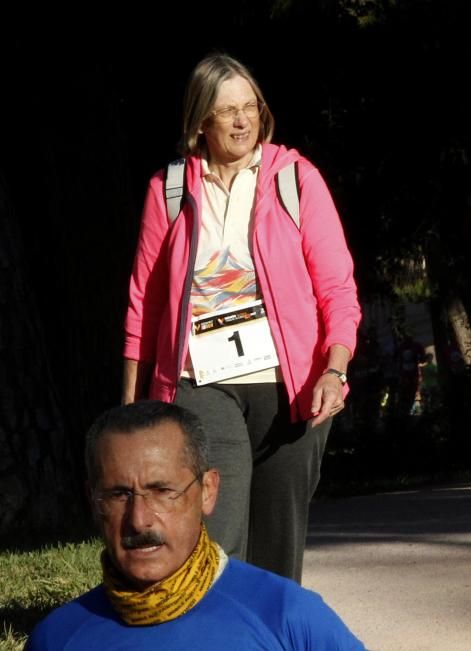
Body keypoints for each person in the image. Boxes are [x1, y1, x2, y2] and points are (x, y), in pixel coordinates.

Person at [121, 53, 361, 582]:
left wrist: (335, 369)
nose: (241, 120)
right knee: (220, 544)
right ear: (201, 120)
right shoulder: (171, 189)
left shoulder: (295, 180)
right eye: (227, 110)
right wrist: (131, 410)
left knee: (278, 558)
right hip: (201, 383)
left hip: (291, 389)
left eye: (250, 107)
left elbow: (338, 290)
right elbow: (145, 303)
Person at [27, 401, 364, 650]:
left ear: (208, 491)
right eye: (118, 494)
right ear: (92, 500)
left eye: (162, 492)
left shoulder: (287, 617)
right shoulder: (56, 638)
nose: (139, 519)